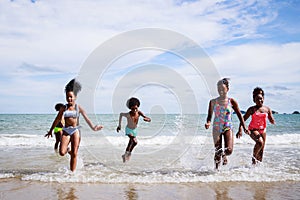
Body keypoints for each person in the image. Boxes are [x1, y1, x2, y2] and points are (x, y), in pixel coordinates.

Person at [45, 79, 103, 171]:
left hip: (75, 130)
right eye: (67, 97)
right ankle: (69, 151)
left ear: (75, 97)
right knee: (62, 152)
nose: (69, 99)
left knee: (75, 154)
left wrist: (93, 128)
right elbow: (57, 119)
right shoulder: (64, 108)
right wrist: (51, 130)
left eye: (71, 97)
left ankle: (72, 173)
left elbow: (86, 118)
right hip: (66, 131)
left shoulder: (78, 107)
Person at [205, 78, 248, 169]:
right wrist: (208, 122)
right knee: (218, 151)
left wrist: (244, 127)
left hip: (228, 127)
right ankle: (216, 170)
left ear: (227, 89)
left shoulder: (231, 101)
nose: (220, 91)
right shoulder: (213, 102)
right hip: (216, 127)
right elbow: (209, 116)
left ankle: (224, 155)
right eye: (219, 89)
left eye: (223, 89)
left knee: (229, 150)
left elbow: (240, 115)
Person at [236, 87, 275, 164]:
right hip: (253, 129)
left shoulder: (267, 109)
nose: (260, 101)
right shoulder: (252, 109)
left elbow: (270, 118)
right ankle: (253, 159)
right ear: (254, 100)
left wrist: (272, 120)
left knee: (261, 150)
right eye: (257, 99)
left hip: (263, 130)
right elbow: (243, 120)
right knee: (260, 142)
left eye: (261, 98)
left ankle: (257, 167)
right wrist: (240, 129)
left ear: (263, 98)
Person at [116, 97, 151, 163]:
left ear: (138, 107)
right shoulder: (128, 114)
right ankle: (128, 154)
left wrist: (148, 120)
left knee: (130, 144)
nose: (134, 110)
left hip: (134, 130)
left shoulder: (139, 113)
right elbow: (121, 114)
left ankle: (125, 155)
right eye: (132, 109)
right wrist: (119, 125)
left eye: (136, 108)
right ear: (130, 108)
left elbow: (147, 118)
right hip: (128, 130)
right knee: (135, 142)